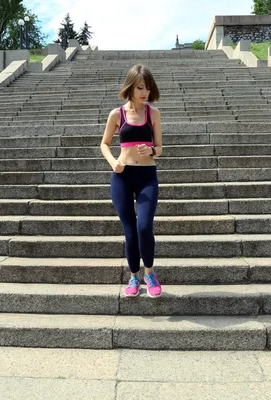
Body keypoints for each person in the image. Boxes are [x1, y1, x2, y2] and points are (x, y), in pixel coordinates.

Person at [100, 64, 163, 298]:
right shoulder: (117, 114)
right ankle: (134, 276)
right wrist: (113, 161)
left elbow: (160, 147)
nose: (144, 92)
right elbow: (104, 144)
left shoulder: (153, 113)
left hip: (147, 176)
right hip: (122, 177)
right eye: (139, 87)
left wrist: (152, 151)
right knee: (130, 231)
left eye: (147, 88)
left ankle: (150, 274)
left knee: (144, 226)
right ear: (130, 87)